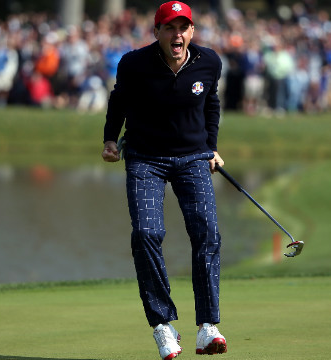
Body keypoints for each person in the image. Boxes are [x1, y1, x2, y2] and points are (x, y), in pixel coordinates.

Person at [101, 2, 227, 359]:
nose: (177, 34)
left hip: (193, 158)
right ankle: (163, 325)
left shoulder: (208, 62)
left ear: (192, 31)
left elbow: (211, 104)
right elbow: (119, 101)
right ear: (156, 32)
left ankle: (207, 327)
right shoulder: (134, 64)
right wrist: (111, 138)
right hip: (145, 159)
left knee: (207, 230)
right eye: (170, 28)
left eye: (183, 27)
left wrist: (212, 147)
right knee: (146, 233)